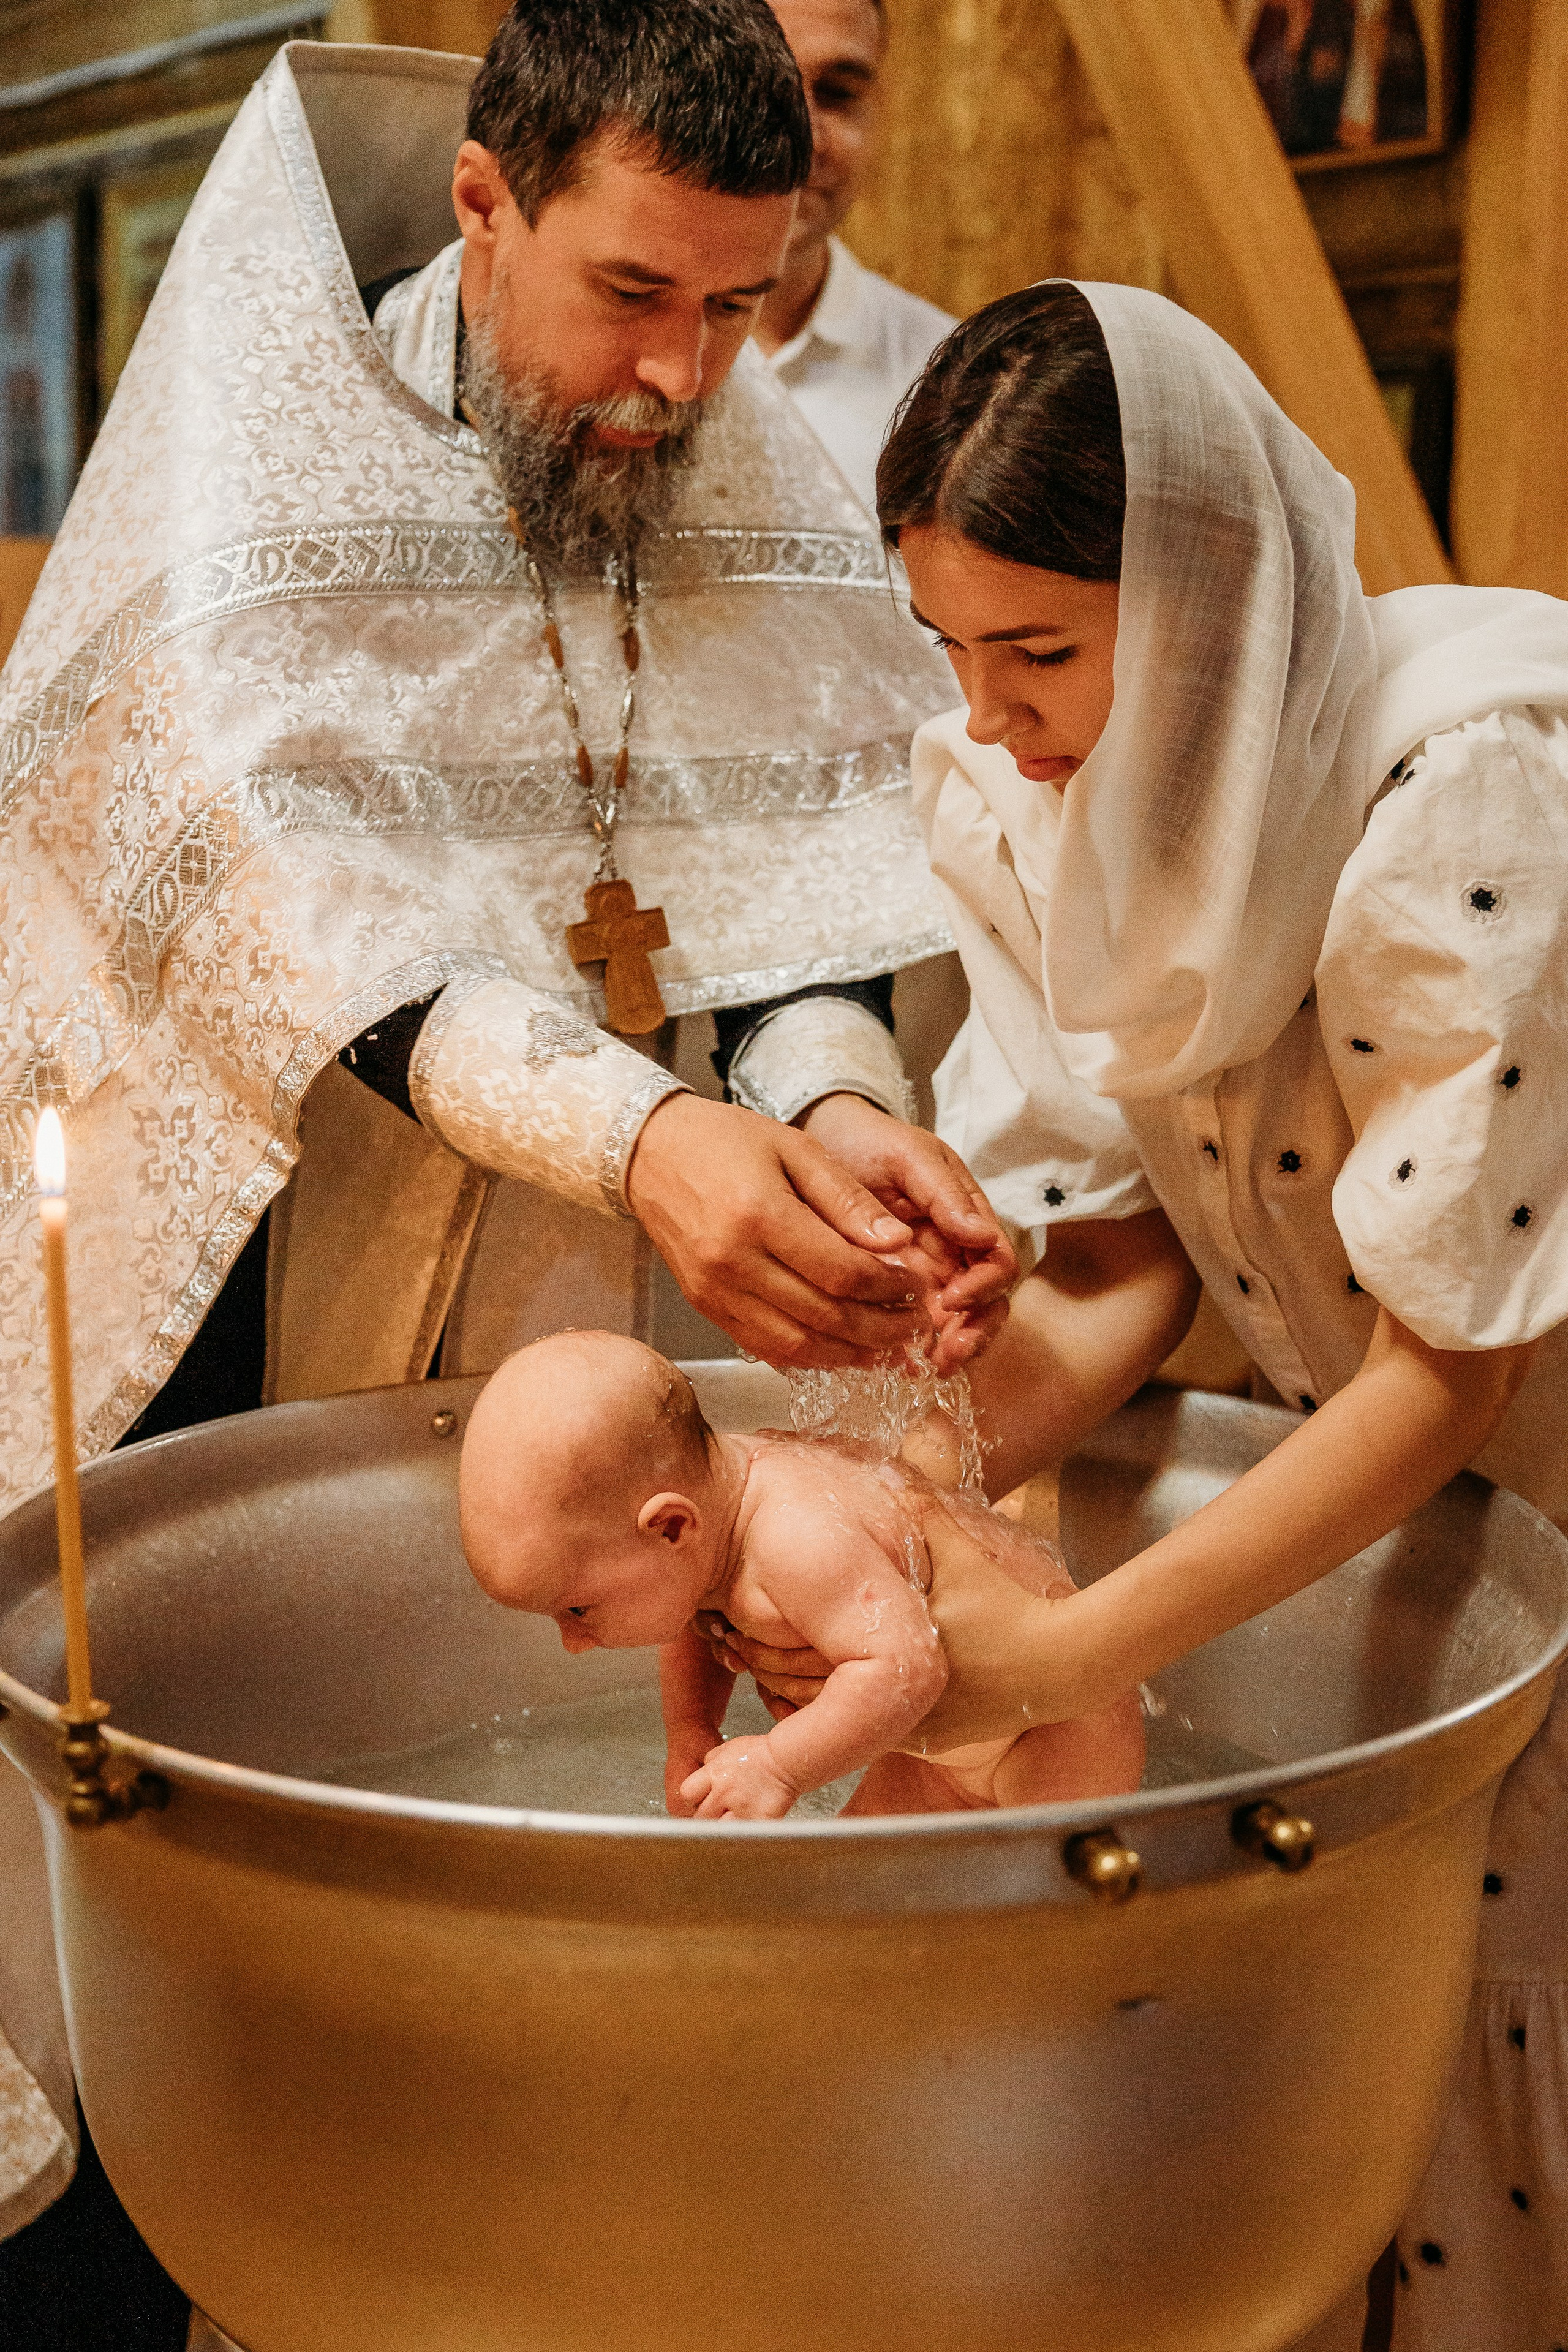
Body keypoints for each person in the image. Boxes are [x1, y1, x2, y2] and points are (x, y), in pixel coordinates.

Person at [0, 0, 1017, 2323]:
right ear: (482, 206)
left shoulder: (736, 450)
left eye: (737, 307)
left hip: (631, 1309)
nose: (680, 376)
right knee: (287, 1887)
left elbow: (797, 888)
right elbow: (268, 900)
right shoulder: (268, 449)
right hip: (296, 1236)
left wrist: (833, 1105)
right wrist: (633, 1125)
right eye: (630, 295)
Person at [718, 278, 1568, 2351]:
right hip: (1341, 1474)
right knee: (1328, 2077)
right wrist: (912, 1488)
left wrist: (1072, 1647)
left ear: (1208, 606)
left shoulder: (1453, 804)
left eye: (1041, 654)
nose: (993, 721)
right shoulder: (1039, 789)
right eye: (952, 651)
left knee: (1508, 2040)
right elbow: (1133, 1246)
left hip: (1516, 1451)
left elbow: (1450, 1366)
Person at [459, 1330, 1145, 1819]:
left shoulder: (796, 1539)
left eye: (577, 1611)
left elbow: (907, 1667)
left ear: (670, 1526)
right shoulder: (707, 1540)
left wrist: (779, 1766)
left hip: (1054, 1728)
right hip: (928, 1751)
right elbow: (690, 1619)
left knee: (1032, 1926)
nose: (573, 1641)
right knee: (860, 1916)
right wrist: (691, 1727)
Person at [753, 0, 956, 514]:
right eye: (756, 87)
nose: (803, 138)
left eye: (838, 94)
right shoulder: (589, 357)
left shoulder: (956, 389)